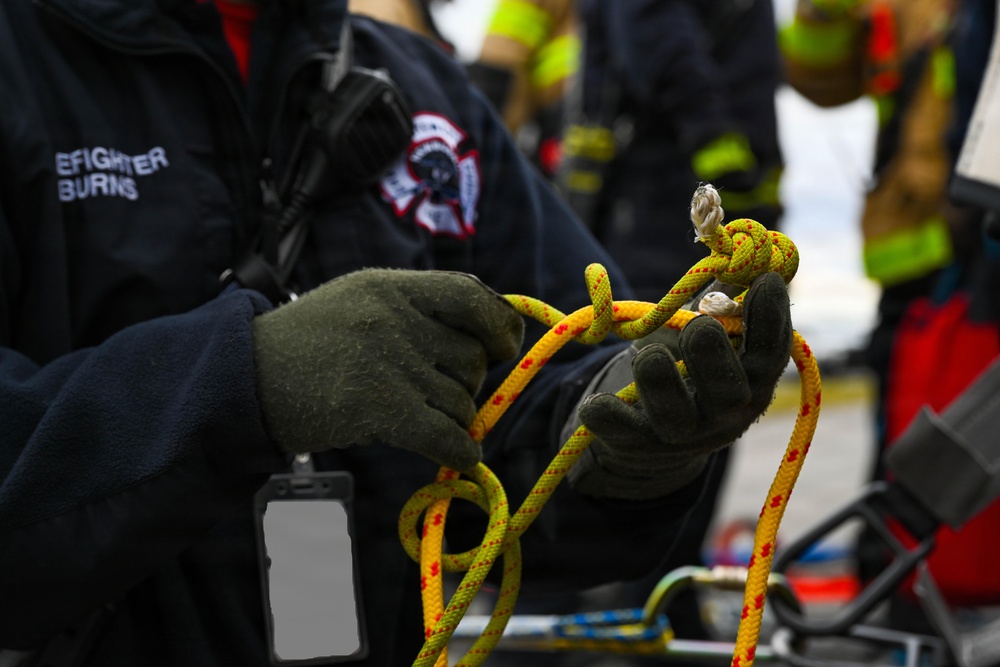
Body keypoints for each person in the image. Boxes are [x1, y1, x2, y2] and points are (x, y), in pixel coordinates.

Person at [0, 1, 793, 665]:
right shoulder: (21, 71)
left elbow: (546, 413)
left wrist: (623, 457)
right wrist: (245, 384)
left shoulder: (424, 97)